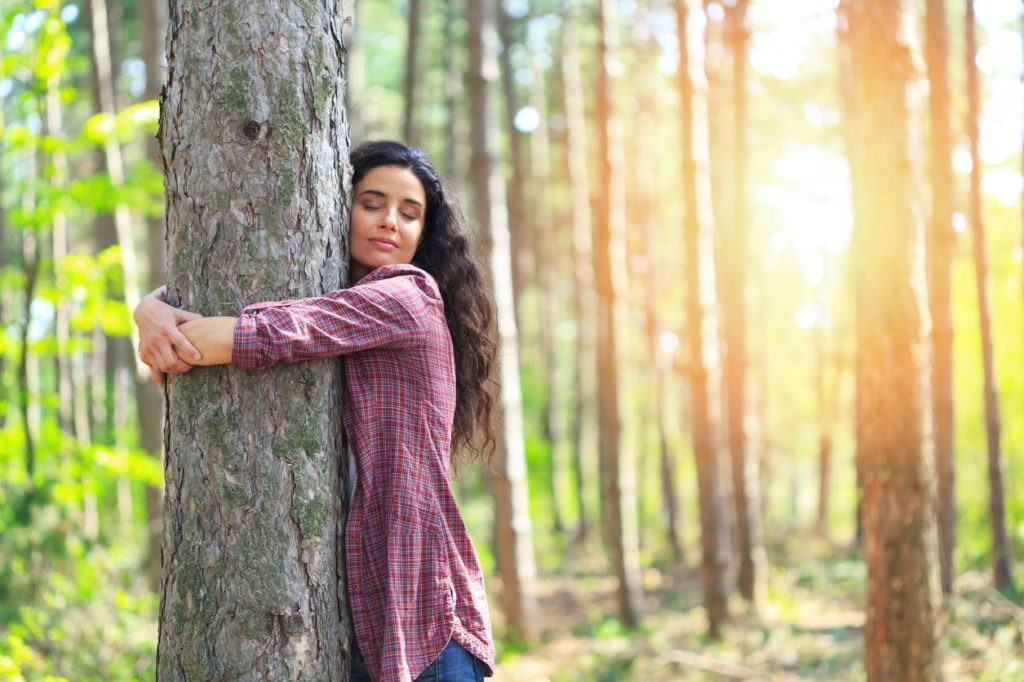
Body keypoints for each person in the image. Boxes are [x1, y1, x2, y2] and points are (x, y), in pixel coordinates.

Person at [134, 140, 497, 682]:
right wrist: (149, 309)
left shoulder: (409, 295)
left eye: (410, 212)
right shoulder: (344, 304)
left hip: (424, 622)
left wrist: (155, 314)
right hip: (358, 621)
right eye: (371, 202)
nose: (390, 222)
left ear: (425, 234)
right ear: (338, 204)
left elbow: (259, 334)